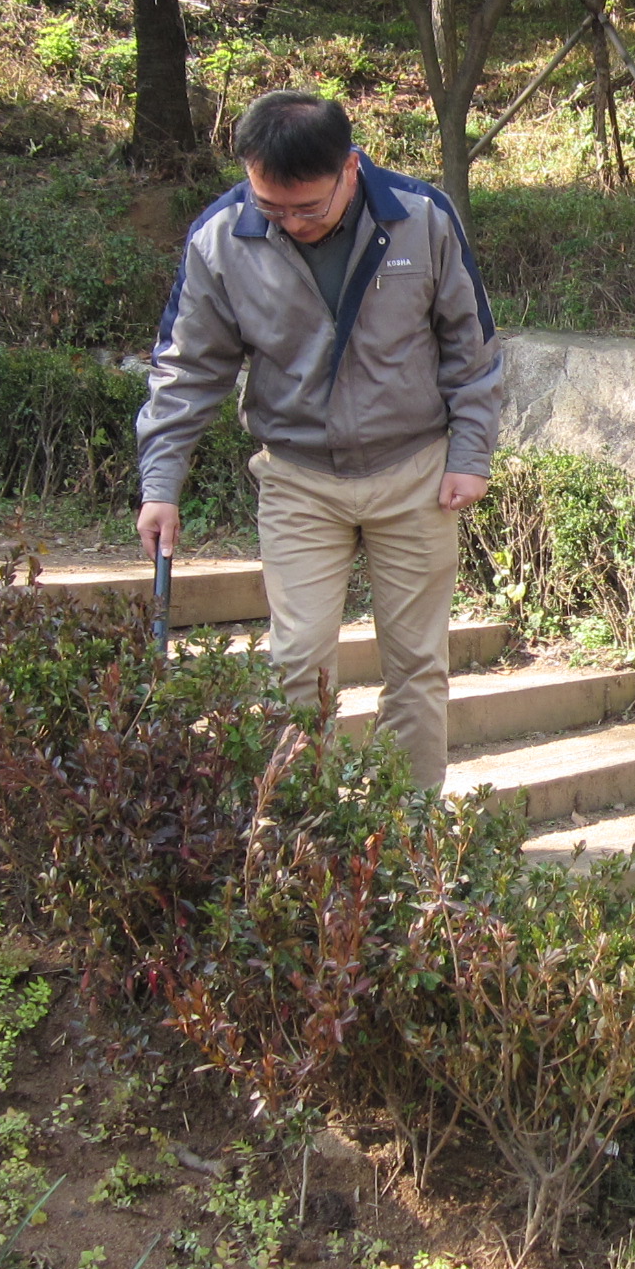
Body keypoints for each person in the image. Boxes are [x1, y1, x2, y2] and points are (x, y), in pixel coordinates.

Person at [135, 90, 502, 789]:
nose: (291, 223)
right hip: (298, 475)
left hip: (415, 472)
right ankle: (308, 832)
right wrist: (160, 486)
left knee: (417, 666)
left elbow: (471, 346)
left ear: (351, 169)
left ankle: (406, 834)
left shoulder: (421, 217)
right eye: (272, 207)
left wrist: (470, 455)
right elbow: (187, 368)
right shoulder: (221, 237)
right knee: (297, 663)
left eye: (308, 207)